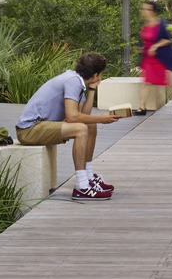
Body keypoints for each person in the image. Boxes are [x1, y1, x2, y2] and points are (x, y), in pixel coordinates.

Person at [12, 50, 133, 198]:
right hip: (29, 129)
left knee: (90, 125)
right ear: (95, 74)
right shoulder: (72, 81)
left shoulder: (77, 80)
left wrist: (92, 89)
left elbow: (85, 114)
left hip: (40, 126)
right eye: (100, 73)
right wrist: (101, 118)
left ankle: (88, 177)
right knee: (81, 129)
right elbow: (72, 117)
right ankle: (82, 186)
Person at [138, 2, 172, 115]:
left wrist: (155, 46)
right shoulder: (144, 25)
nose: (144, 11)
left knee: (167, 84)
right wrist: (142, 49)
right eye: (143, 9)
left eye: (147, 9)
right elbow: (146, 41)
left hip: (159, 58)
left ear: (153, 12)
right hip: (148, 59)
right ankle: (141, 107)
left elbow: (168, 39)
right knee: (144, 82)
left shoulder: (160, 24)